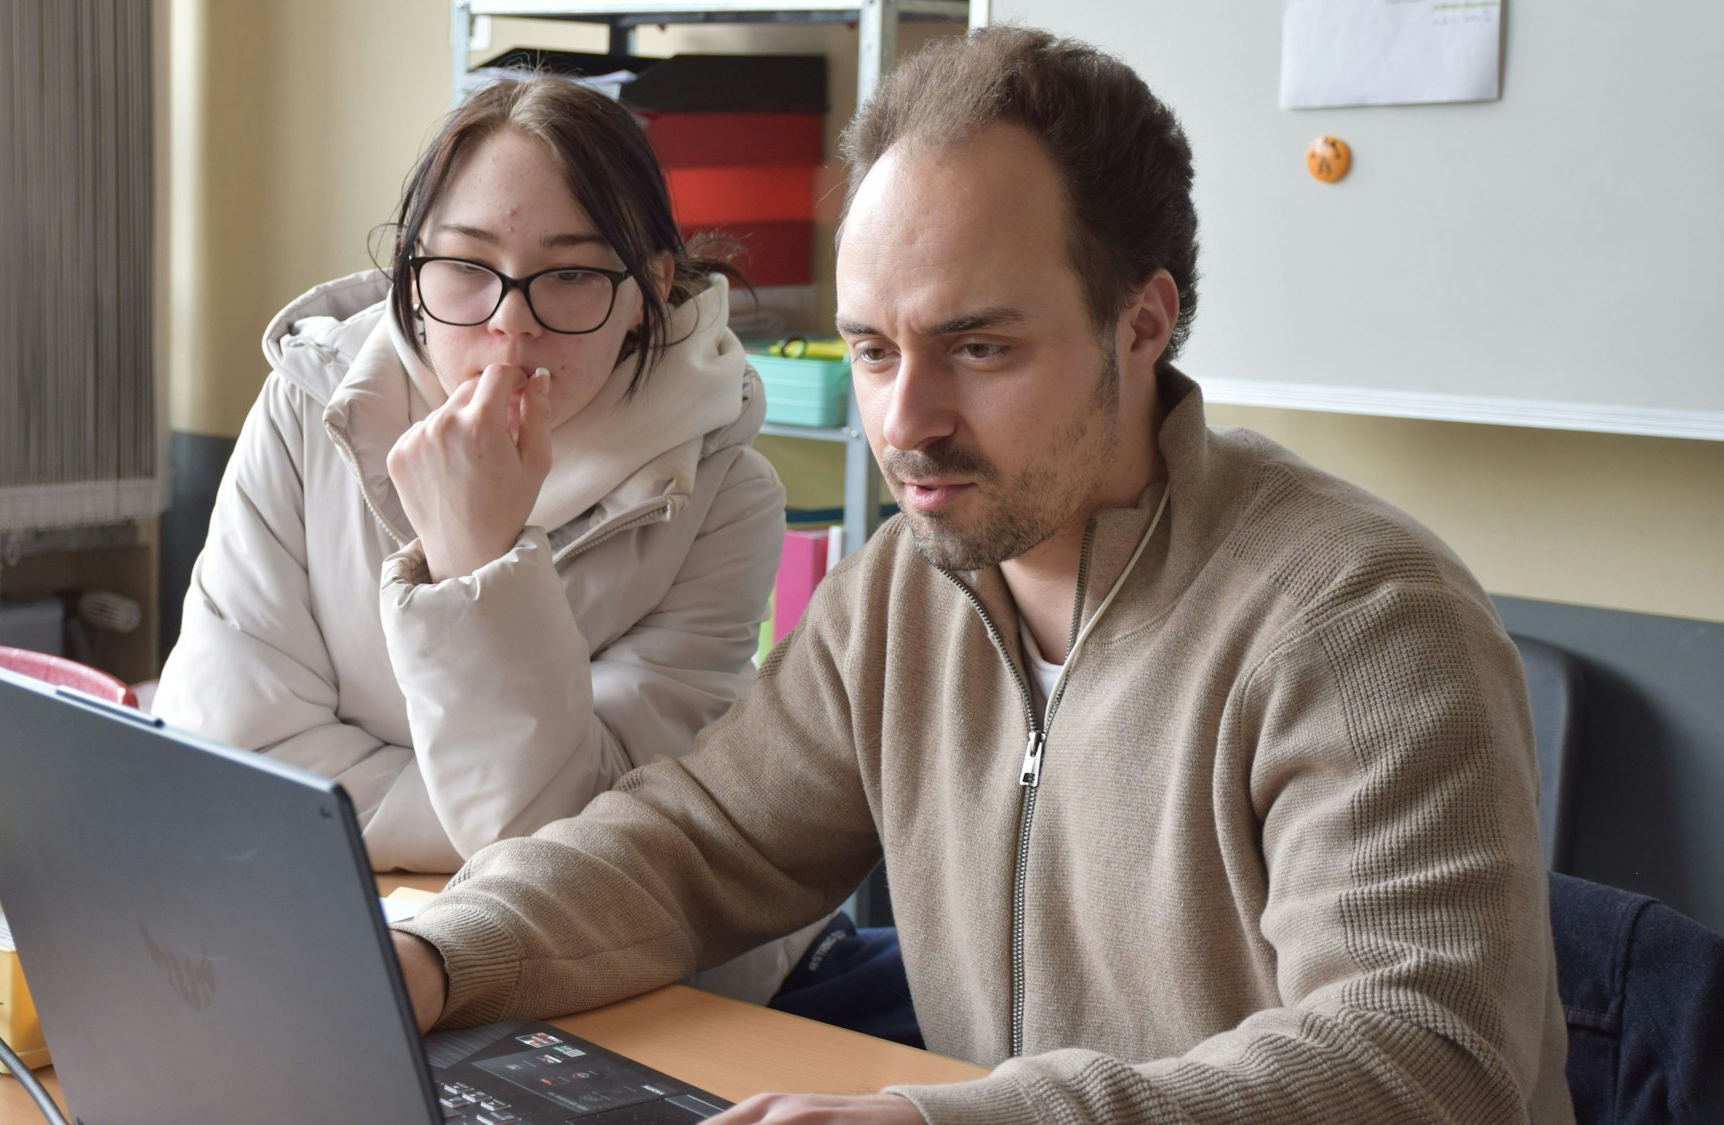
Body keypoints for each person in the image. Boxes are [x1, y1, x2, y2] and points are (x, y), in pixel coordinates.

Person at [390, 27, 1574, 1124]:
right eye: (871, 350)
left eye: (978, 347)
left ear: (1141, 322)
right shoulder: (901, 594)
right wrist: (437, 957)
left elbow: (1419, 1059)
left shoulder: (1361, 621)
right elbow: (692, 844)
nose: (905, 422)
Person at [153, 75, 822, 1000]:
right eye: (466, 265)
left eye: (573, 274)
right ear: (412, 274)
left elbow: (589, 864)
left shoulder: (723, 498)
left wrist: (480, 555)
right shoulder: (311, 411)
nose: (512, 323)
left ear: (649, 291)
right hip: (326, 934)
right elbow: (227, 763)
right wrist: (474, 812)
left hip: (626, 991)